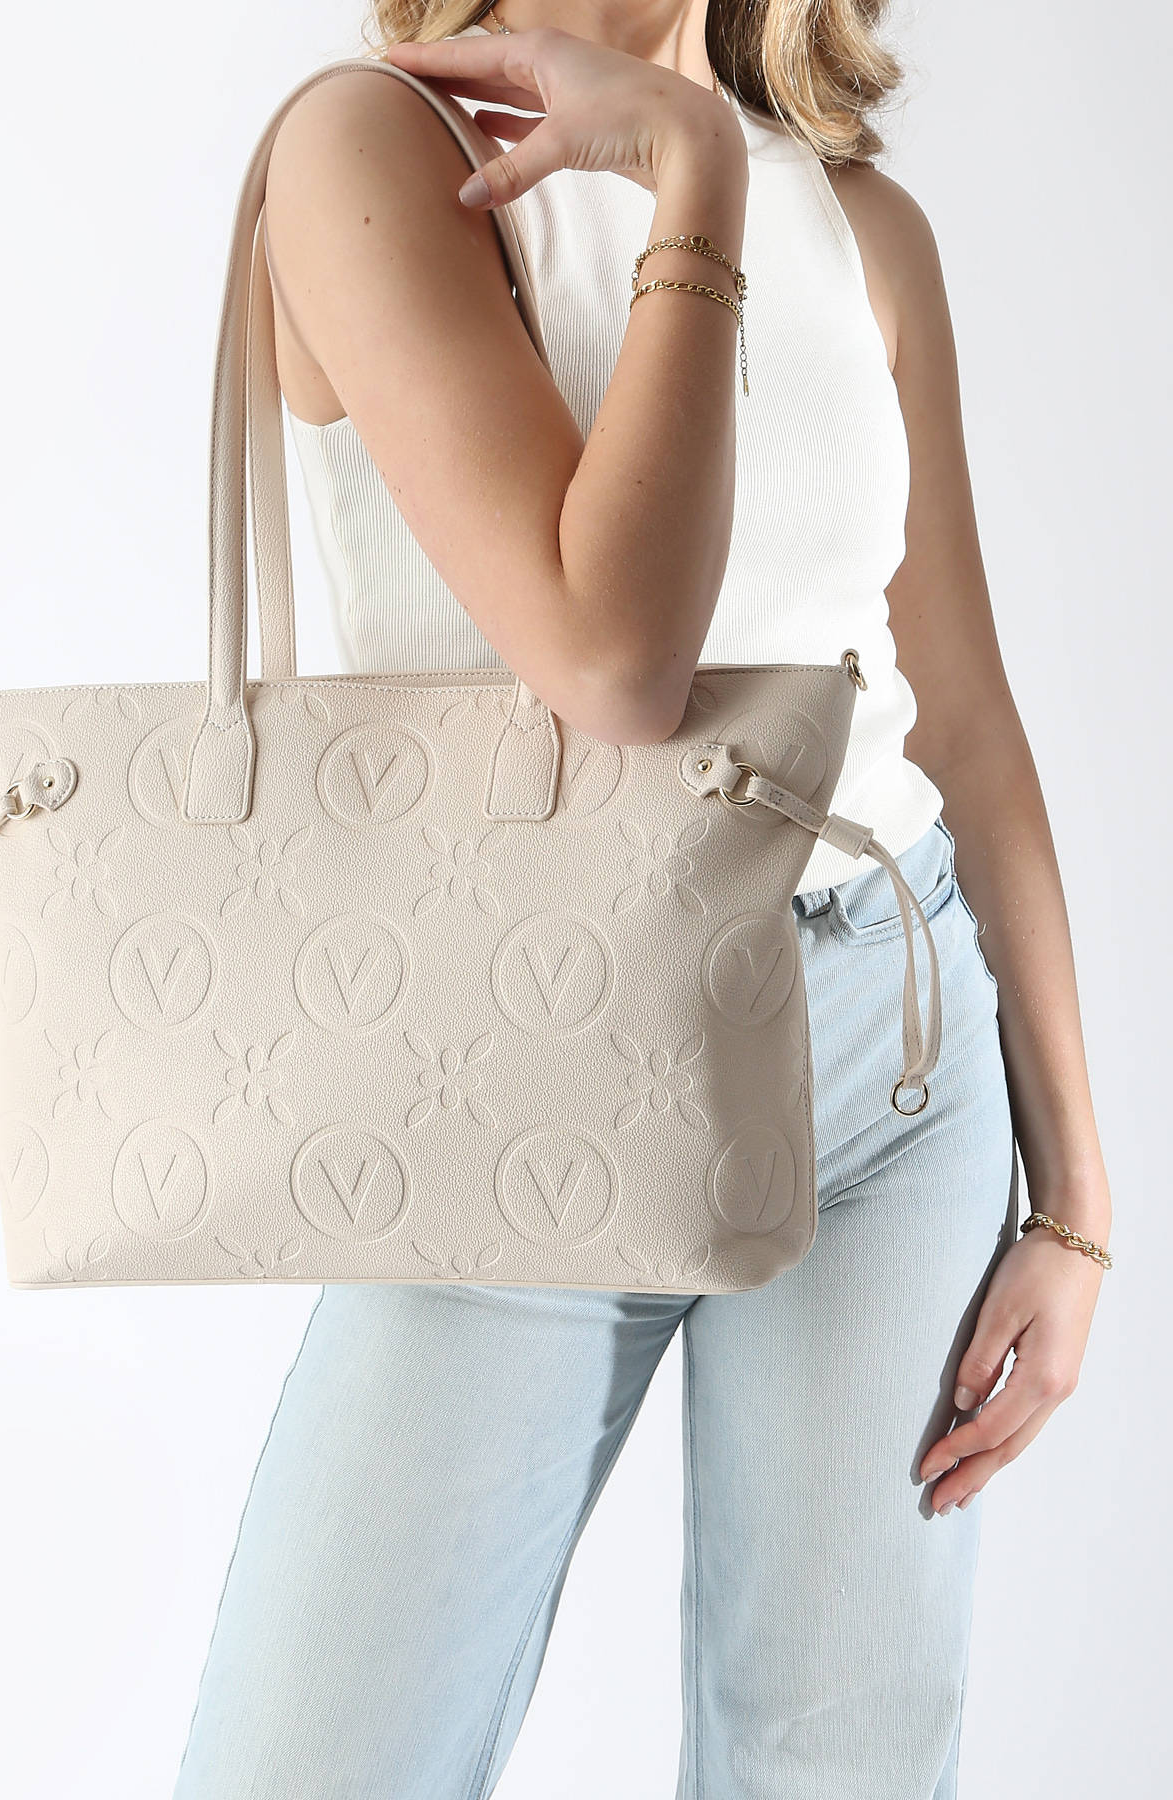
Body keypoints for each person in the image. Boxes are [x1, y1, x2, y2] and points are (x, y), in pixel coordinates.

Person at [172, 4, 1112, 1794]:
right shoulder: (373, 147)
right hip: (517, 1070)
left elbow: (964, 723)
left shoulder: (861, 227)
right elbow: (613, 662)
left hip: (888, 1061)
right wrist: (687, 175)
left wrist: (1072, 1203)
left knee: (834, 1769)